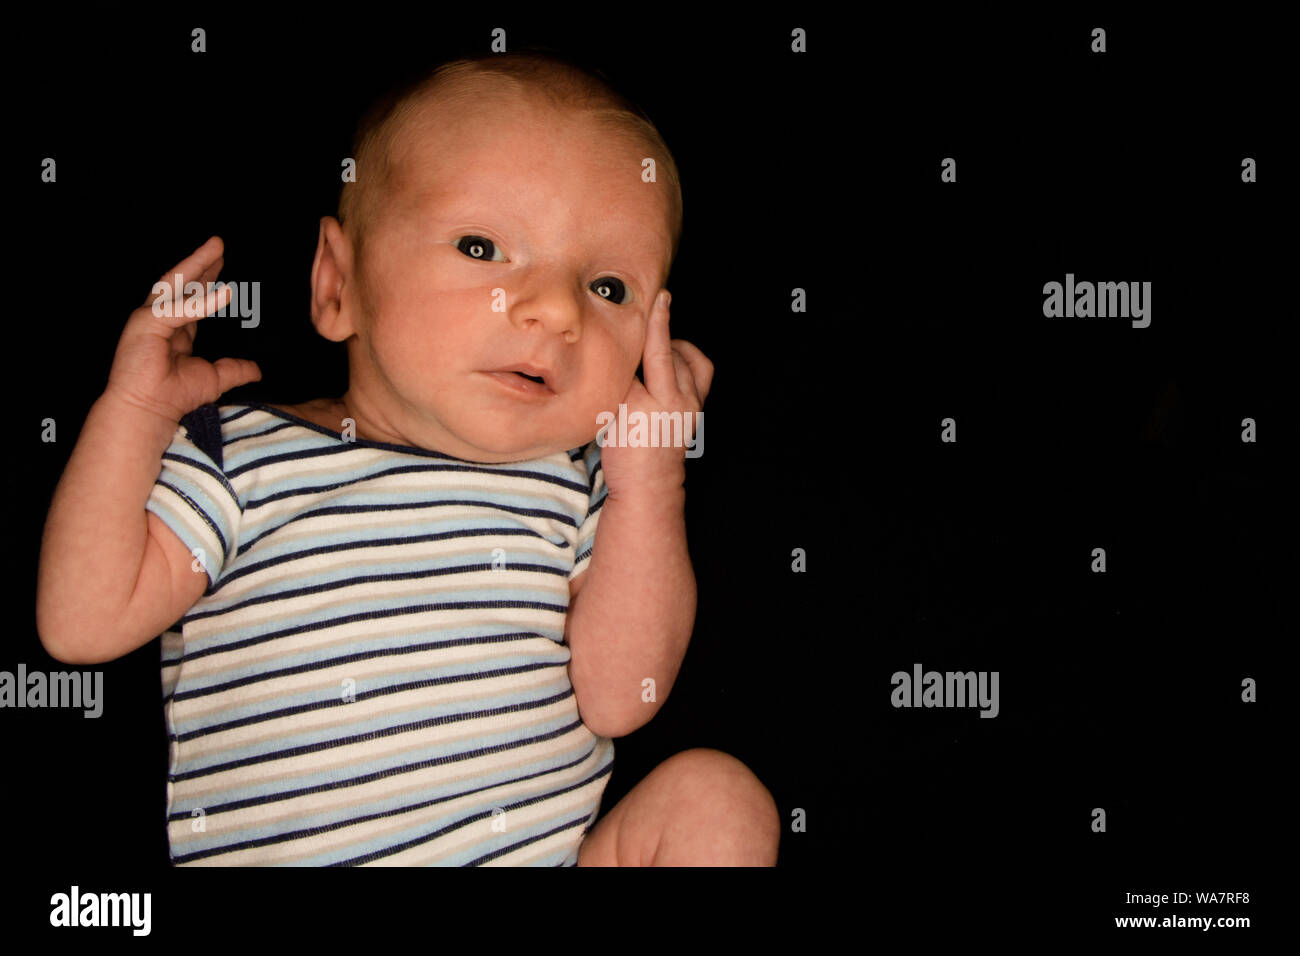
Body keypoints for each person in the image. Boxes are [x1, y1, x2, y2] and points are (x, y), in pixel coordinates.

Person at [36, 50, 779, 866]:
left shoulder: (584, 487)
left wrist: (652, 479)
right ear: (337, 285)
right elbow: (82, 625)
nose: (556, 309)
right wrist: (135, 413)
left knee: (718, 802)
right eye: (481, 246)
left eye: (608, 288)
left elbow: (620, 699)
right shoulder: (242, 458)